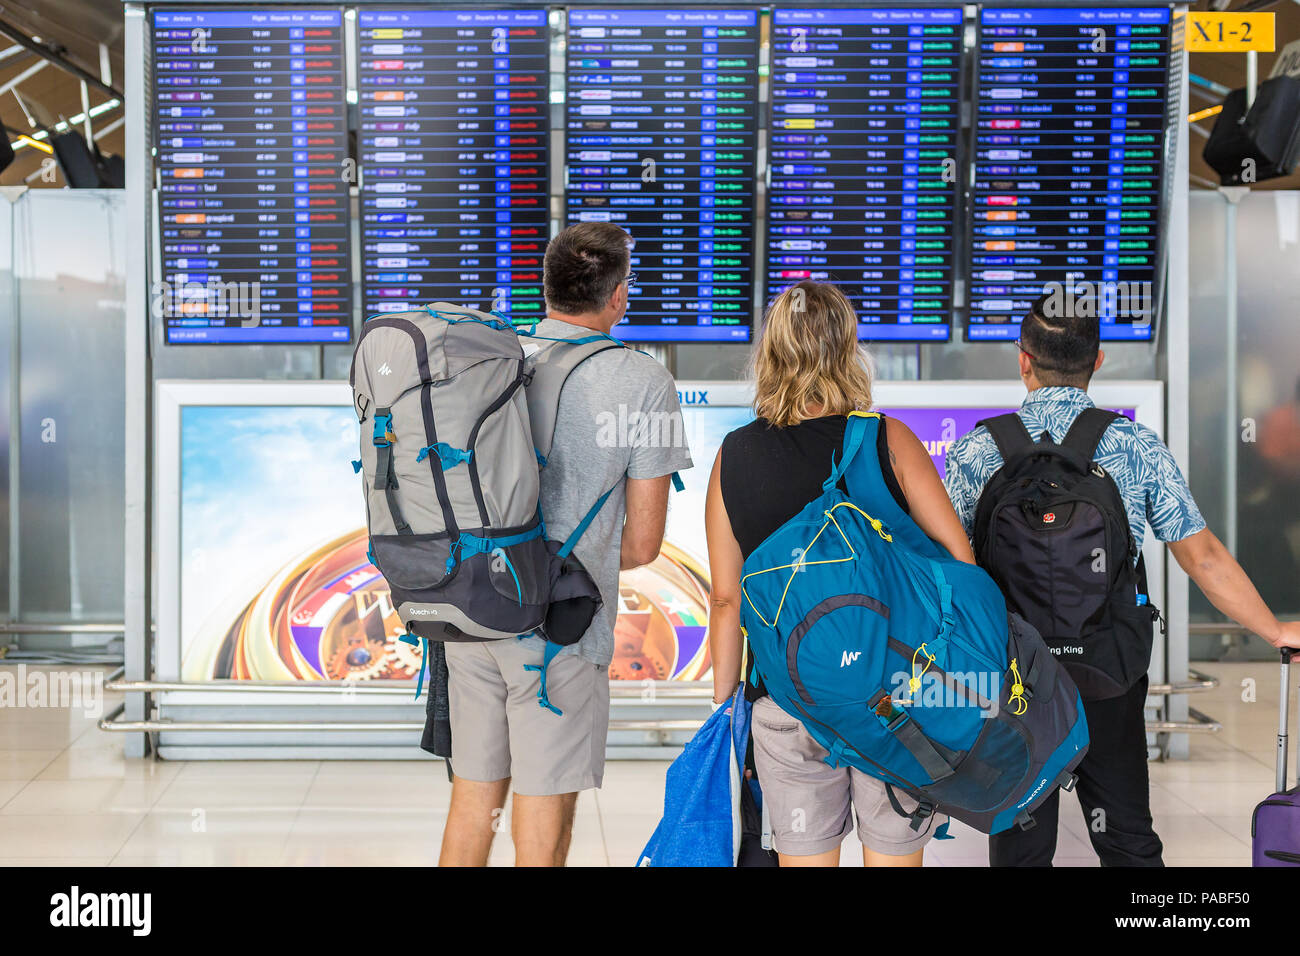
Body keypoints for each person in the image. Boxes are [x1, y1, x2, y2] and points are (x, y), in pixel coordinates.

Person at [943, 291, 1300, 868]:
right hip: (1107, 669)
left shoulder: (974, 452)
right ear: (1099, 360)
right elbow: (1201, 556)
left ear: (1023, 359)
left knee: (1020, 843)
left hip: (1015, 677)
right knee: (1127, 836)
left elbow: (945, 571)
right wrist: (1272, 629)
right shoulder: (1133, 446)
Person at [438, 222, 693, 866]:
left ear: (547, 289)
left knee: (474, 804)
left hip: (473, 605)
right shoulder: (642, 381)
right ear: (618, 297)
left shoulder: (498, 358)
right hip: (560, 626)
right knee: (543, 825)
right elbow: (641, 543)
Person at [704, 280, 976, 867]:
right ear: (848, 350)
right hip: (897, 696)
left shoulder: (734, 454)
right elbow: (961, 565)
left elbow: (727, 601)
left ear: (770, 353)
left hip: (789, 697)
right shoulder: (889, 440)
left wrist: (727, 711)